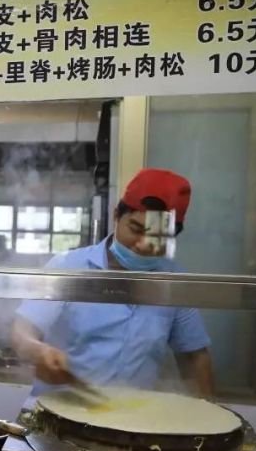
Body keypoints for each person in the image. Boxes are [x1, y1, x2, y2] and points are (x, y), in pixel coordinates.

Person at [11, 168, 215, 399]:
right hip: (56, 412)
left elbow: (194, 356)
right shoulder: (68, 266)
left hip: (128, 421)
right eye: (136, 229)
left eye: (157, 237)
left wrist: (209, 414)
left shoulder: (173, 284)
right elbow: (22, 331)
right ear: (117, 216)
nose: (142, 245)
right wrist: (38, 351)